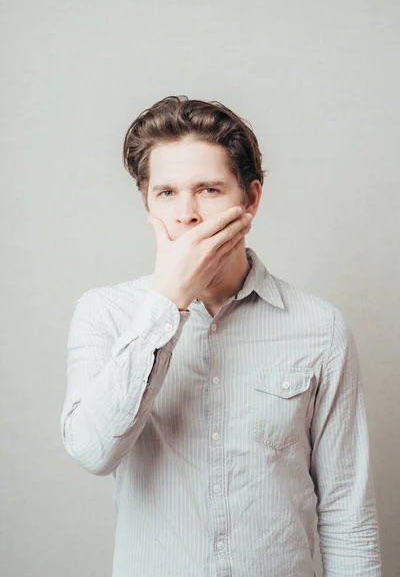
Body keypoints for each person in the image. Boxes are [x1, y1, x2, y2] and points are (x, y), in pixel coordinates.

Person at [60, 95, 381, 576]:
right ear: (148, 203)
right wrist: (169, 302)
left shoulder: (319, 327)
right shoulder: (105, 313)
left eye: (208, 189)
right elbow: (93, 451)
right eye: (166, 192)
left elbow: (346, 512)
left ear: (250, 199)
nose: (186, 213)